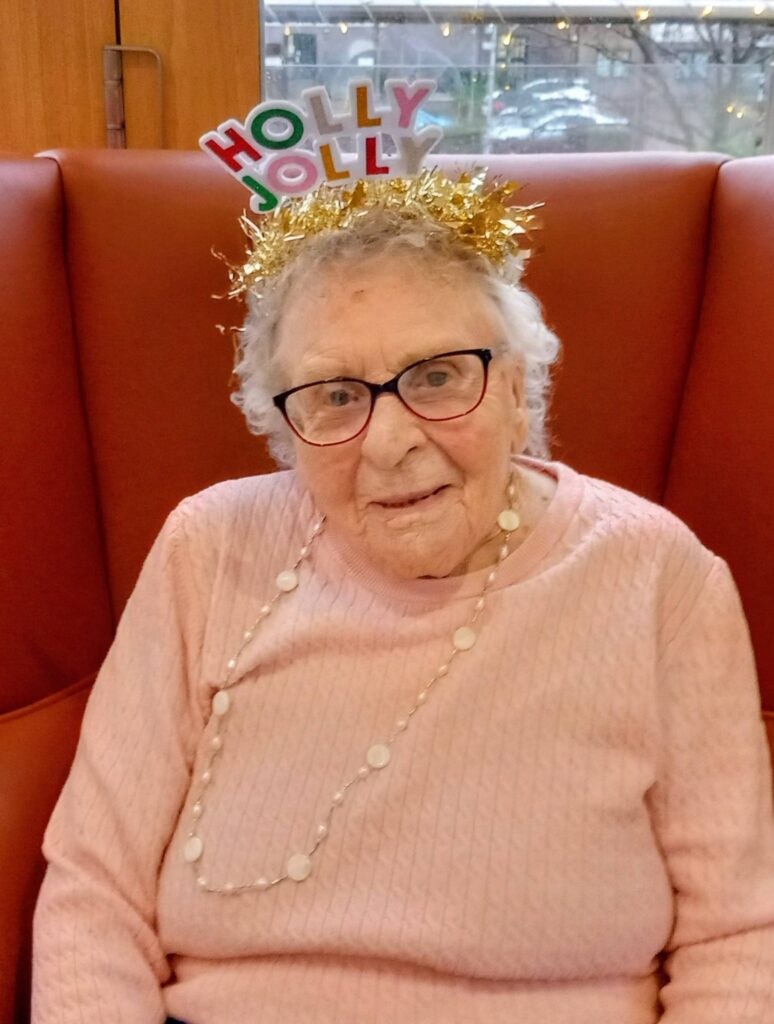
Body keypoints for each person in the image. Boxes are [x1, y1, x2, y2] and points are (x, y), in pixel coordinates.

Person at [31, 167, 774, 1024]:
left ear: (519, 384)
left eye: (437, 377)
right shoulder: (209, 546)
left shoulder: (658, 576)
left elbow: (739, 934)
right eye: (336, 395)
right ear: (282, 426)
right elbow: (95, 892)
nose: (390, 442)